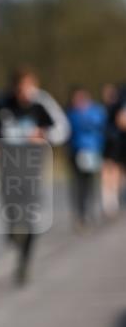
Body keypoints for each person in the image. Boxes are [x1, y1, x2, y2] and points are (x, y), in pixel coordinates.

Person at [0, 67, 70, 285]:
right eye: (20, 90)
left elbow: (63, 129)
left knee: (29, 216)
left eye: (29, 89)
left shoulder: (42, 103)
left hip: (33, 167)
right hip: (8, 167)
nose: (25, 94)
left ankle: (25, 262)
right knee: (11, 209)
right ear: (13, 88)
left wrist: (44, 134)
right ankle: (14, 234)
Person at [65, 86, 107, 228]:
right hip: (76, 152)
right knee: (78, 184)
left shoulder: (96, 111)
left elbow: (101, 127)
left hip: (92, 151)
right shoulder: (70, 113)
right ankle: (79, 214)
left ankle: (90, 211)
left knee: (90, 183)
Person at [100, 82, 126, 217]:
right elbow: (119, 120)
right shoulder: (107, 108)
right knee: (111, 168)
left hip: (119, 141)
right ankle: (110, 200)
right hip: (113, 141)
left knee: (119, 171)